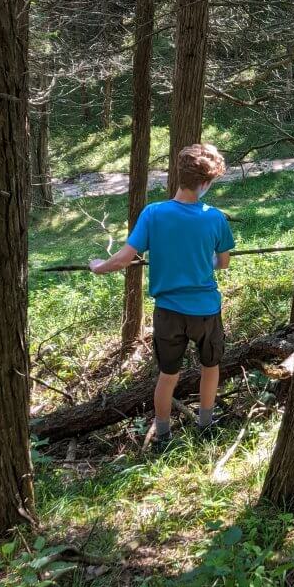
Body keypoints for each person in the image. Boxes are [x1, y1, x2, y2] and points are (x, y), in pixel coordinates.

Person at [89, 143, 234, 450]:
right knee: (211, 368)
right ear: (206, 183)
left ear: (179, 177)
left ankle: (163, 436)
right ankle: (206, 426)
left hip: (168, 312)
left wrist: (99, 267)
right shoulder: (215, 218)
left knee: (168, 375)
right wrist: (201, 259)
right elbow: (223, 262)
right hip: (206, 310)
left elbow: (125, 258)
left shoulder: (154, 213)